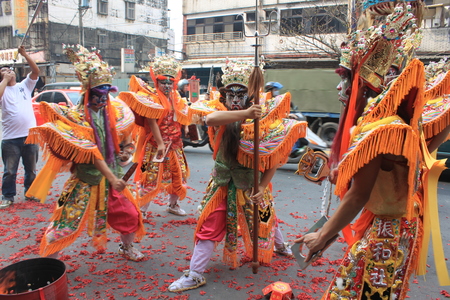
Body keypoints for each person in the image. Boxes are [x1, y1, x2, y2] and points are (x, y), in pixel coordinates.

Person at [296, 3, 450, 299]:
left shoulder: (382, 129)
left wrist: (322, 236)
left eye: (352, 81)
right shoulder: (410, 121)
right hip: (402, 225)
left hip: (386, 233)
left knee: (352, 294)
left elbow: (358, 195)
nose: (348, 90)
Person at [167, 60, 307, 292]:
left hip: (250, 183)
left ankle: (281, 247)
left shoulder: (262, 121)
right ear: (223, 97)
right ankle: (195, 273)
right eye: (230, 95)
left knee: (265, 217)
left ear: (249, 96)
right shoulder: (219, 112)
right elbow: (209, 120)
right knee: (209, 226)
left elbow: (271, 159)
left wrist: (262, 186)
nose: (235, 99)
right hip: (222, 183)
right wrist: (245, 113)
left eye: (240, 94)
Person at [25, 45, 145, 261]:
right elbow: (90, 151)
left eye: (106, 95)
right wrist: (111, 176)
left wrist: (126, 152)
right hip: (85, 179)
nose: (102, 100)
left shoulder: (115, 111)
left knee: (129, 214)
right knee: (65, 220)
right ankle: (50, 259)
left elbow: (127, 139)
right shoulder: (75, 118)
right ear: (87, 92)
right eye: (98, 95)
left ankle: (126, 247)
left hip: (114, 177)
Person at [119, 56, 191, 216]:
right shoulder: (150, 98)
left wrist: (185, 128)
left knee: (178, 175)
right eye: (163, 81)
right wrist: (159, 143)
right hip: (155, 145)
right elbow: (151, 122)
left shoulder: (176, 98)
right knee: (149, 177)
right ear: (156, 81)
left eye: (170, 82)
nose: (167, 85)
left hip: (175, 144)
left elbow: (182, 115)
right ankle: (141, 210)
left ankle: (173, 204)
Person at [0, 46, 40, 209]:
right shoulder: (3, 90)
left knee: (31, 169)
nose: (9, 71)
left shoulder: (24, 86)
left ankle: (30, 192)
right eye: (4, 70)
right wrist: (3, 79)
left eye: (10, 69)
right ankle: (8, 196)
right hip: (10, 139)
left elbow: (36, 71)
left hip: (30, 135)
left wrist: (25, 55)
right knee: (10, 171)